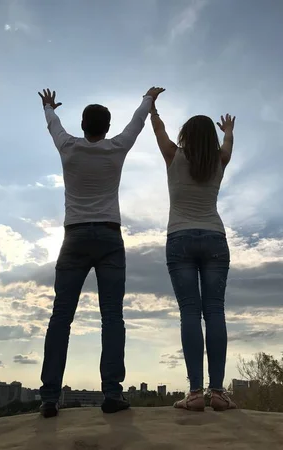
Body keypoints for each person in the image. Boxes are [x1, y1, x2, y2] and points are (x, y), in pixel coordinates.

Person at [37, 86, 165, 418]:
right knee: (112, 317)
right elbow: (137, 123)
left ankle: (49, 397)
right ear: (107, 128)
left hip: (74, 237)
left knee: (61, 318)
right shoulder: (116, 148)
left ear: (83, 125)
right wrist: (148, 99)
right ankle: (112, 393)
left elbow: (53, 125)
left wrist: (50, 107)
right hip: (108, 236)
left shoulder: (68, 146)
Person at [150, 98, 237, 412]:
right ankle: (218, 392)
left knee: (190, 312)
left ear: (185, 134)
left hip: (180, 238)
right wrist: (228, 130)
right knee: (214, 312)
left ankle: (196, 393)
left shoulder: (174, 155)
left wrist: (153, 108)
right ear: (211, 139)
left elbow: (158, 130)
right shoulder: (220, 159)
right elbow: (227, 144)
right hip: (214, 238)